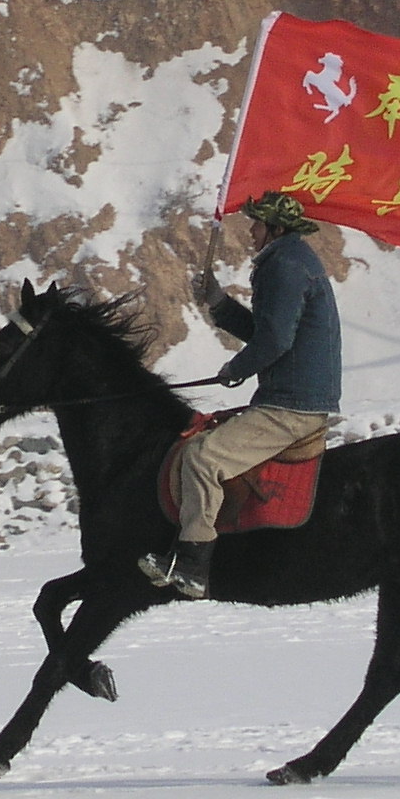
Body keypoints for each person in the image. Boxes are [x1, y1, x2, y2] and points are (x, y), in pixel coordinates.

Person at [138, 191, 341, 599]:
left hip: (291, 405)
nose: (250, 230)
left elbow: (276, 340)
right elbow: (268, 332)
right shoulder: (291, 260)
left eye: (257, 223)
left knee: (202, 456)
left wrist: (236, 369)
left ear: (275, 229)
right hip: (293, 397)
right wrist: (218, 303)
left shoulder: (284, 265)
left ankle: (193, 564)